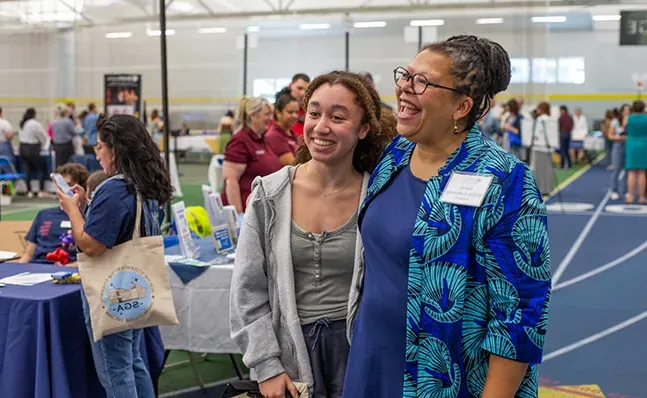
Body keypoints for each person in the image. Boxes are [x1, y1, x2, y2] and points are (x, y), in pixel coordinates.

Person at [343, 35, 551, 398]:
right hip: (372, 357)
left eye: (421, 81)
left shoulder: (504, 179)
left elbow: (519, 314)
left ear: (461, 106)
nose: (405, 88)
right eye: (406, 75)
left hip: (444, 376)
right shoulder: (394, 155)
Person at [230, 71, 396, 398]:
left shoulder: (378, 196)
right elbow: (247, 290)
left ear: (363, 129)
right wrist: (266, 366)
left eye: (337, 117)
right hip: (290, 360)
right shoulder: (269, 194)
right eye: (314, 113)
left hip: (360, 355)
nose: (321, 126)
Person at [57, 114, 173, 398]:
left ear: (115, 149)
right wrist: (87, 204)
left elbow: (91, 245)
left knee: (115, 372)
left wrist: (73, 210)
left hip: (112, 291)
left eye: (99, 147)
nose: (96, 154)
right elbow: (116, 228)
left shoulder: (114, 188)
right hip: (135, 286)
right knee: (132, 363)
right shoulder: (143, 184)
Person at [19, 163, 90, 265]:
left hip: (66, 271)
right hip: (36, 266)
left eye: (69, 185)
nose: (64, 189)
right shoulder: (43, 215)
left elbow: (89, 259)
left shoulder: (86, 216)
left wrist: (66, 269)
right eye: (61, 185)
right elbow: (28, 254)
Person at [221, 96, 283, 214]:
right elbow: (231, 181)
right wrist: (239, 216)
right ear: (253, 115)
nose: (270, 118)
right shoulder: (240, 141)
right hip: (246, 211)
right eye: (267, 114)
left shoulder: (261, 139)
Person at [18, 107, 49, 198]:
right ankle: (41, 190)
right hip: (33, 148)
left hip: (23, 148)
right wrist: (43, 144)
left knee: (27, 170)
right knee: (40, 169)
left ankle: (29, 191)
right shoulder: (35, 124)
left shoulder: (22, 123)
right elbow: (41, 136)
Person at [265, 94, 300, 165]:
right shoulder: (274, 136)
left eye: (296, 112)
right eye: (290, 112)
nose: (295, 116)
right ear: (278, 112)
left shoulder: (293, 135)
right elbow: (293, 165)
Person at [624, 100, 647, 204]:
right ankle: (642, 197)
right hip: (644, 144)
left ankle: (630, 196)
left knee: (632, 172)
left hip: (631, 144)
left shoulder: (628, 118)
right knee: (642, 172)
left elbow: (624, 128)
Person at [558, 105, 574, 169]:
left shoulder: (561, 117)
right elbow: (572, 125)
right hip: (568, 134)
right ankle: (569, 165)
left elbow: (558, 125)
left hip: (563, 134)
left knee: (562, 150)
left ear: (563, 110)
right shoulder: (570, 117)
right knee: (567, 150)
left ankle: (562, 165)